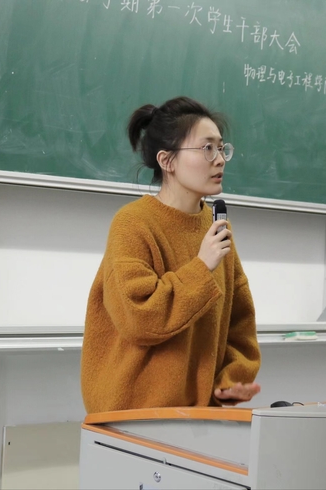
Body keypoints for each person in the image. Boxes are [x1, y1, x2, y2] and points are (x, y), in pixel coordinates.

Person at [81, 96, 261, 413]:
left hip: (197, 416)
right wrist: (202, 267)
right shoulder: (132, 223)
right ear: (167, 161)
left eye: (222, 148)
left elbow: (239, 324)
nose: (220, 159)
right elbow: (139, 319)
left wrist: (230, 380)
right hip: (132, 416)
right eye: (207, 148)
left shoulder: (215, 228)